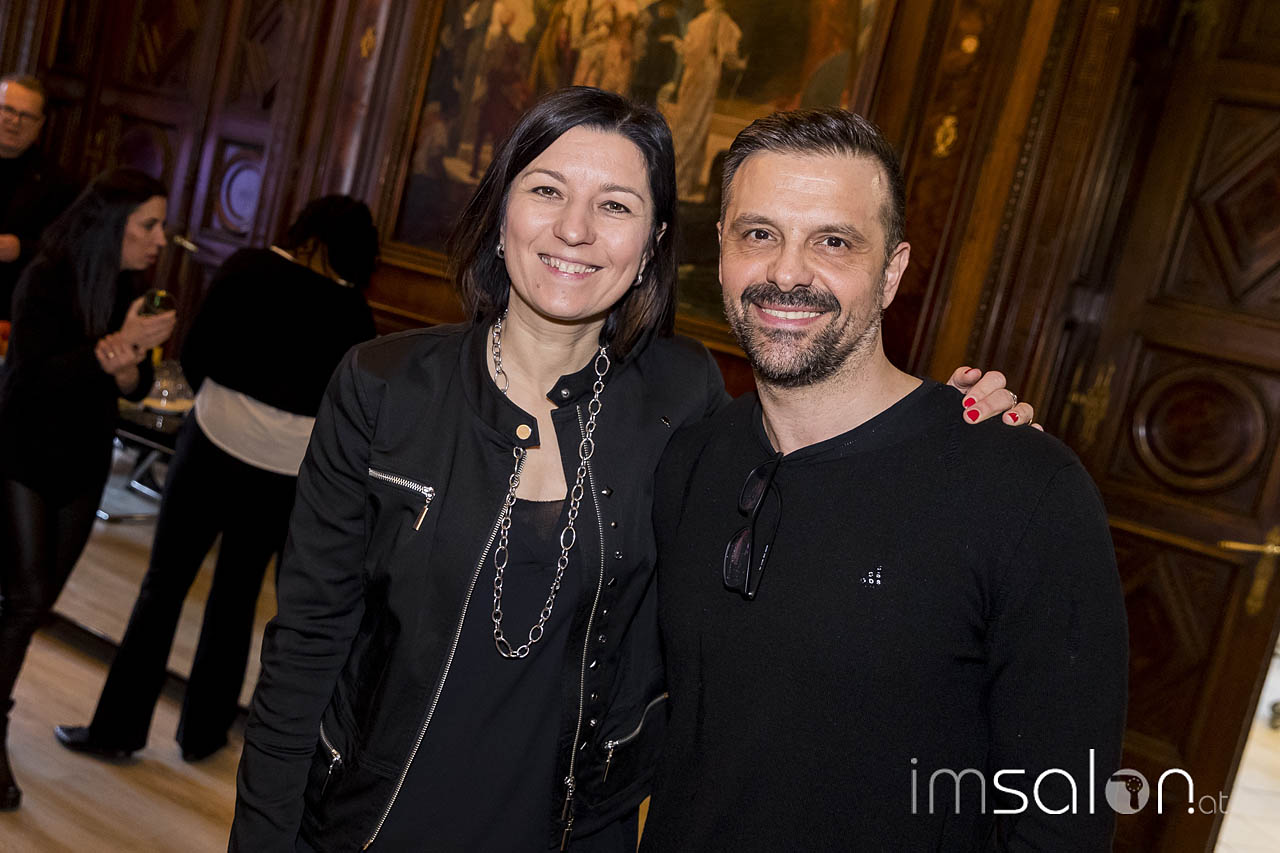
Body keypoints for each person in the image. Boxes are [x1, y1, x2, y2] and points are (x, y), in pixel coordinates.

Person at [228, 87, 1030, 852]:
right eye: (546, 190)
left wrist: (950, 429)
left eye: (614, 205)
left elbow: (816, 472)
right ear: (501, 211)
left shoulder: (683, 400)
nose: (574, 229)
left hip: (575, 832)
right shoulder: (382, 387)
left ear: (652, 243)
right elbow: (304, 651)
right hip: (369, 823)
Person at [641, 109, 1129, 851]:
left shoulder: (1024, 491)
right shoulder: (692, 460)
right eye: (759, 234)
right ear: (722, 250)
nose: (787, 273)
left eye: (833, 241)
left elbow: (1062, 820)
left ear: (893, 271)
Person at [54, 196, 379, 764]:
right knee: (236, 598)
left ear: (305, 229)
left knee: (162, 588)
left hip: (212, 447)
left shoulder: (249, 268)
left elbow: (196, 356)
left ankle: (116, 731)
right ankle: (202, 735)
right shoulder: (355, 313)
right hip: (285, 472)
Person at [0, 167, 175, 809]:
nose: (160, 238)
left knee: (35, 603)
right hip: (22, 454)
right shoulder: (46, 276)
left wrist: (126, 365)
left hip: (82, 460)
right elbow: (30, 379)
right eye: (149, 225)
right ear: (112, 225)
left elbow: (135, 385)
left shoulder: (127, 284)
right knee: (25, 600)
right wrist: (116, 347)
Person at [0, 73, 76, 321]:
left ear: (40, 124)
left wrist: (21, 249)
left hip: (10, 307)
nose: (14, 121)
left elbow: (67, 250)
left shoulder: (58, 183)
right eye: (7, 110)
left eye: (26, 116)